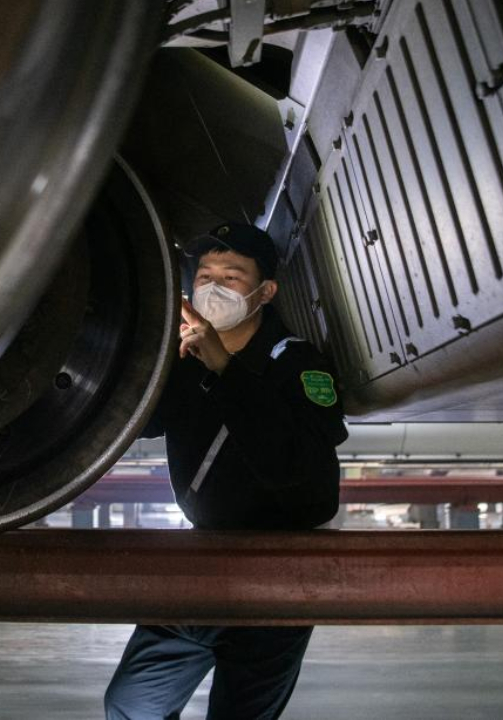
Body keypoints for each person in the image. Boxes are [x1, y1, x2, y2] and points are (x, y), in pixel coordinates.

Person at [103, 222, 348, 720]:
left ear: (265, 291)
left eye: (232, 277)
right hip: (201, 560)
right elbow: (137, 422)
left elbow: (288, 464)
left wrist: (226, 370)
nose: (212, 287)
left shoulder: (299, 364)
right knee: (130, 705)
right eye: (205, 275)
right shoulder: (186, 356)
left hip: (278, 576)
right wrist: (151, 362)